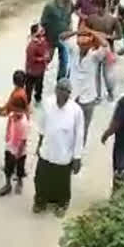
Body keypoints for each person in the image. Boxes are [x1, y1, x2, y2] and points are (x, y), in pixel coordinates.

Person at [33, 79, 84, 218]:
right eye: (60, 90)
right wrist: (39, 145)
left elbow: (79, 136)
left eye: (66, 91)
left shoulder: (76, 111)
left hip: (64, 154)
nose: (62, 94)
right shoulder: (47, 103)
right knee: (40, 179)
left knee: (62, 183)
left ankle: (62, 204)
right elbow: (42, 127)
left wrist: (77, 157)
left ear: (69, 94)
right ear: (56, 90)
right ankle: (40, 201)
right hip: (47, 150)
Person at [60, 29, 109, 144]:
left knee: (83, 127)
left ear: (90, 45)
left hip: (88, 98)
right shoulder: (74, 50)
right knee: (68, 124)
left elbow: (105, 45)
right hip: (72, 95)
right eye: (80, 44)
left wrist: (92, 32)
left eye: (85, 45)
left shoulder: (95, 56)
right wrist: (77, 32)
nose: (82, 47)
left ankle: (79, 152)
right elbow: (62, 37)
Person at [0, 71, 30, 196]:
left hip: (19, 150)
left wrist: (18, 153)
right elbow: (9, 117)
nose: (14, 112)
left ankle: (19, 182)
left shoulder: (23, 122)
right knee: (8, 166)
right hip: (10, 145)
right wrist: (7, 137)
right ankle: (8, 184)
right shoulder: (13, 112)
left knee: (20, 166)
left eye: (16, 111)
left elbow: (23, 140)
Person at [84, 0, 121, 101]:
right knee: (97, 73)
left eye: (97, 6)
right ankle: (100, 94)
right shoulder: (91, 18)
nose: (95, 9)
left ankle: (107, 93)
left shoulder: (112, 19)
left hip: (104, 49)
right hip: (99, 48)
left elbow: (119, 36)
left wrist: (107, 36)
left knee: (107, 74)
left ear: (102, 7)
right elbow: (86, 33)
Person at [40, 0, 72, 80]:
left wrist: (70, 26)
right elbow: (43, 22)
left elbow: (69, 16)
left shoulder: (69, 4)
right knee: (47, 60)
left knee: (64, 62)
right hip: (51, 39)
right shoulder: (49, 7)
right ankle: (38, 78)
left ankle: (60, 81)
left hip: (64, 39)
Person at [25, 24, 50, 104]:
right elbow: (31, 59)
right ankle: (27, 105)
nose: (43, 32)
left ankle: (38, 102)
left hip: (40, 71)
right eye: (41, 31)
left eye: (43, 31)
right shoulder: (31, 46)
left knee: (39, 89)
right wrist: (43, 59)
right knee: (29, 90)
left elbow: (46, 51)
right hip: (31, 72)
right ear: (34, 34)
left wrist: (46, 62)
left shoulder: (44, 41)